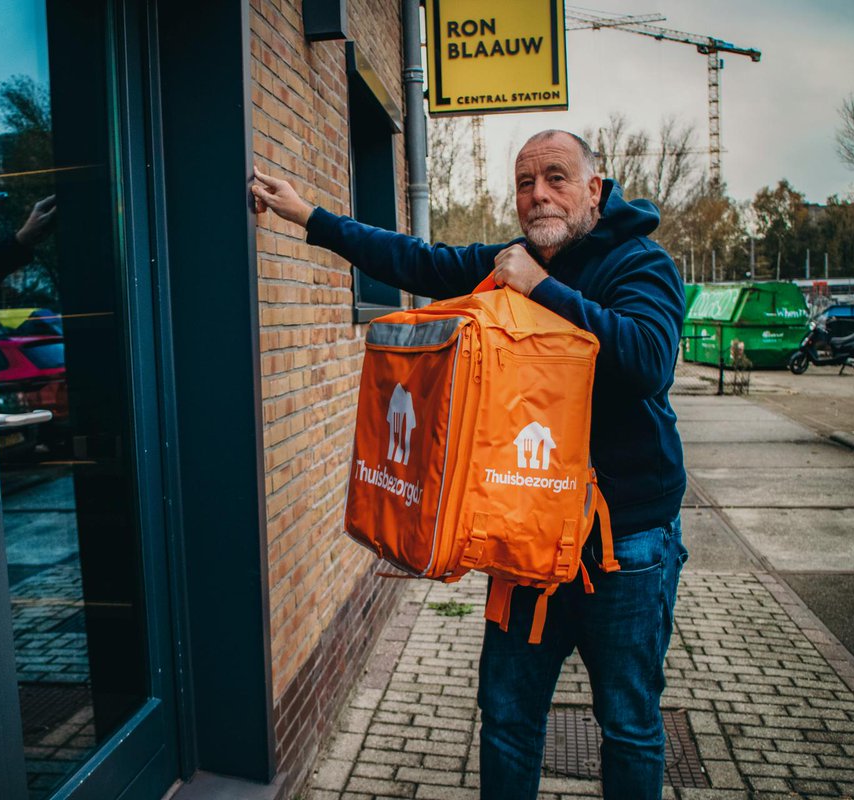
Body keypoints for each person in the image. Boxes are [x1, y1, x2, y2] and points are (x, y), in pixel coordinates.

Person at [251, 129, 688, 800]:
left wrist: (540, 288)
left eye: (556, 178)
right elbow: (417, 261)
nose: (537, 193)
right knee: (507, 716)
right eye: (524, 182)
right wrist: (309, 216)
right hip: (523, 534)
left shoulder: (639, 264)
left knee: (627, 724)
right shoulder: (508, 260)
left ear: (594, 189)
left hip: (621, 545)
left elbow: (647, 361)